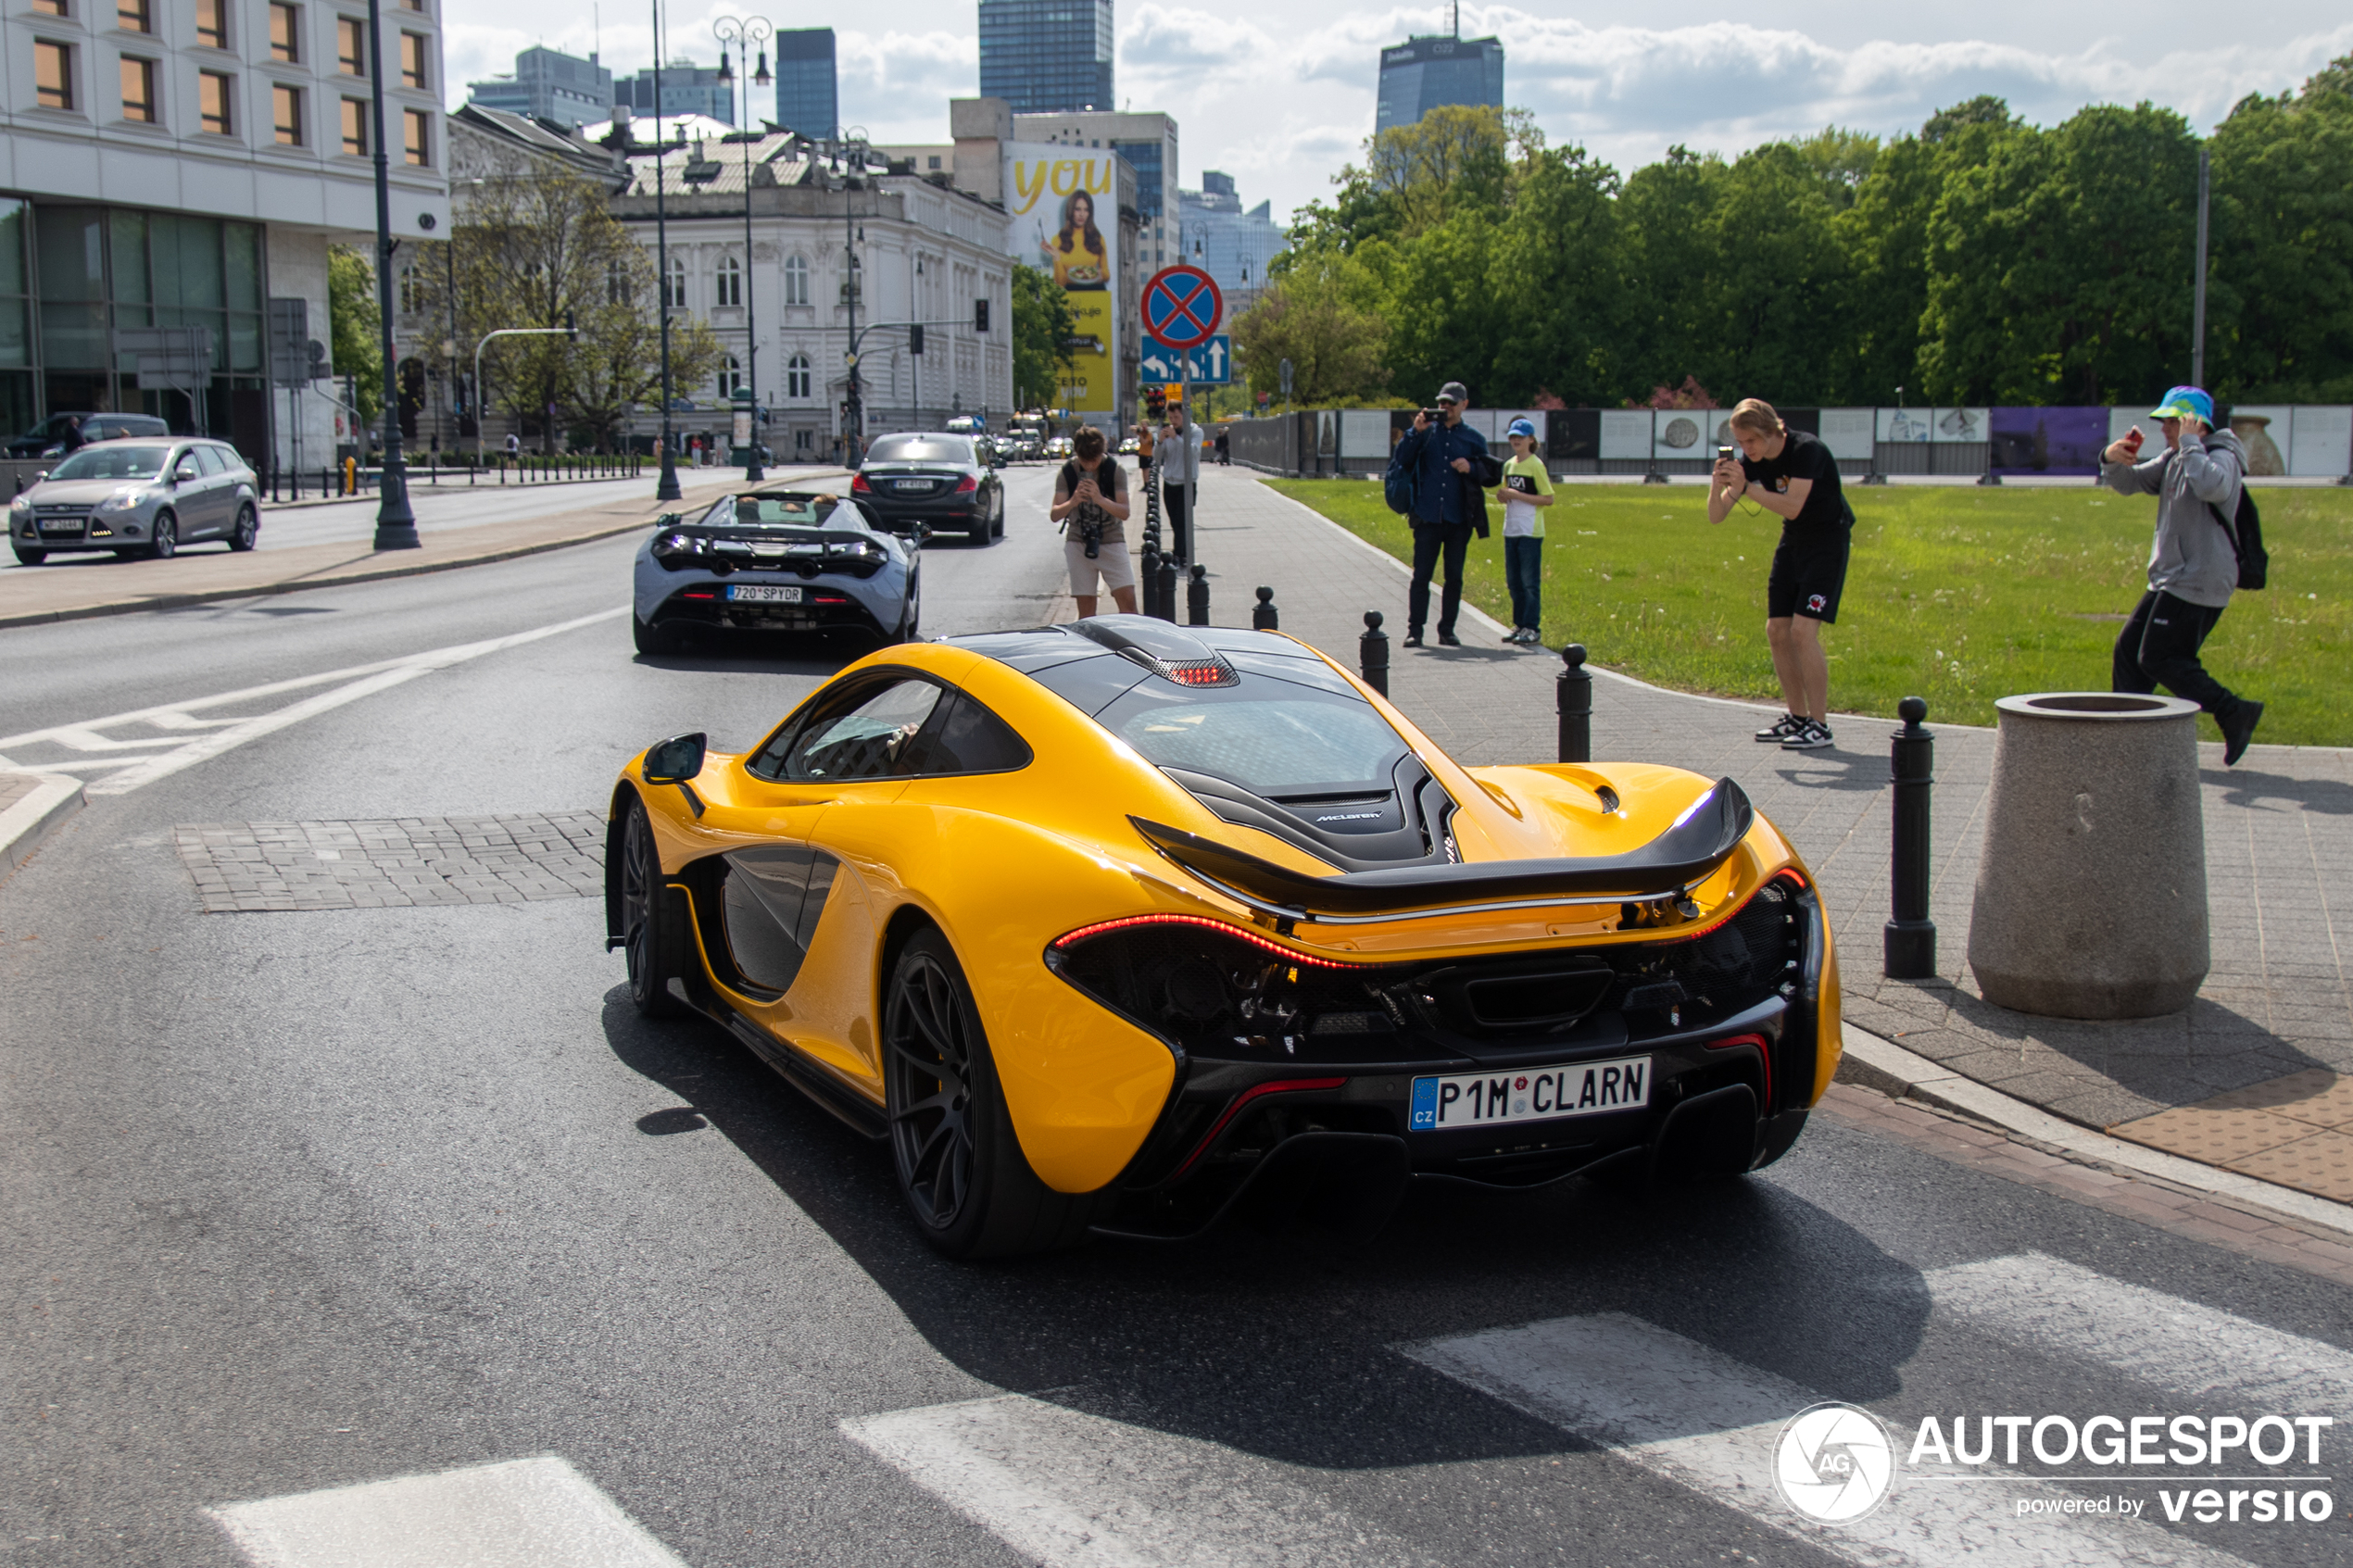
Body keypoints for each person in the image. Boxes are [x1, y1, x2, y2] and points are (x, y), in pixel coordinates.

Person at [2100, 385, 2262, 763]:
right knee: (2129, 651)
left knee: (2160, 658)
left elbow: (2212, 487)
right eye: (2165, 421)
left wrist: (2190, 445)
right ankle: (2127, 739)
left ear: (2196, 423)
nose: (2165, 429)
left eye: (2172, 421)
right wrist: (2112, 458)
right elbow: (2131, 483)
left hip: (2200, 578)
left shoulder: (2223, 456)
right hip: (2171, 577)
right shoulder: (2177, 456)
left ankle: (2233, 710)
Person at [1707, 398, 1852, 751]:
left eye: (1751, 441)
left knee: (1803, 632)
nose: (1746, 450)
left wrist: (1748, 488)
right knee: (1777, 630)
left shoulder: (1807, 451)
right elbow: (1716, 515)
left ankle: (1820, 725)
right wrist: (1719, 482)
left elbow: (1793, 505)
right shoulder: (1751, 463)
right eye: (1740, 443)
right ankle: (1797, 717)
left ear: (1772, 432)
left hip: (1826, 542)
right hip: (1794, 541)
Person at [1389, 381, 1490, 647]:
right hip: (1427, 515)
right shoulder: (1425, 432)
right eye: (1441, 402)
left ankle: (1447, 629)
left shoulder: (1474, 438)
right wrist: (1414, 432)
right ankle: (1415, 630)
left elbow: (1489, 472)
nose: (1445, 407)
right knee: (1421, 575)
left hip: (1459, 518)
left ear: (1464, 405)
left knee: (1453, 577)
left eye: (1451, 403)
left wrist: (1472, 465)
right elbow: (1401, 460)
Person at [1051, 425, 1136, 618]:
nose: (1089, 466)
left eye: (1094, 460)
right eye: (1084, 461)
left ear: (1102, 452)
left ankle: (1131, 644)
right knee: (1086, 612)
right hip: (1078, 541)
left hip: (1112, 539)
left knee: (1129, 604)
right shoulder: (1068, 472)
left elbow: (1125, 512)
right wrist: (1073, 501)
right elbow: (1055, 514)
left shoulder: (1115, 470)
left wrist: (1099, 498)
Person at [1491, 417, 1554, 644]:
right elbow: (1509, 494)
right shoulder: (1509, 465)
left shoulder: (1536, 465)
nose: (1516, 440)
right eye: (1512, 436)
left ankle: (1532, 627)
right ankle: (1519, 624)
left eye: (1520, 436)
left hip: (1530, 530)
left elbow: (1548, 498)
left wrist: (1516, 495)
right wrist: (1503, 496)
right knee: (1514, 581)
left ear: (1531, 440)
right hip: (1512, 528)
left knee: (1529, 582)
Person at [1158, 400, 1201, 560]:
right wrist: (1160, 442)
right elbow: (1157, 459)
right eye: (1171, 417)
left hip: (1187, 483)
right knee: (1174, 522)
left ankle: (1179, 554)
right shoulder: (1167, 433)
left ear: (1185, 415)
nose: (1173, 421)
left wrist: (1176, 438)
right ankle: (1182, 554)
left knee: (1182, 520)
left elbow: (1193, 452)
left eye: (1176, 416)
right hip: (1170, 483)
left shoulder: (1195, 432)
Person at [1047, 192, 1109, 292]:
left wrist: (1100, 276)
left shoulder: (1098, 238)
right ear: (1071, 211)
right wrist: (1056, 258)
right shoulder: (1058, 239)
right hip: (1069, 293)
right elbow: (1060, 282)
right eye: (1077, 209)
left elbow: (1106, 274)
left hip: (1095, 292)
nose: (1082, 214)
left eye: (1086, 210)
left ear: (1090, 213)